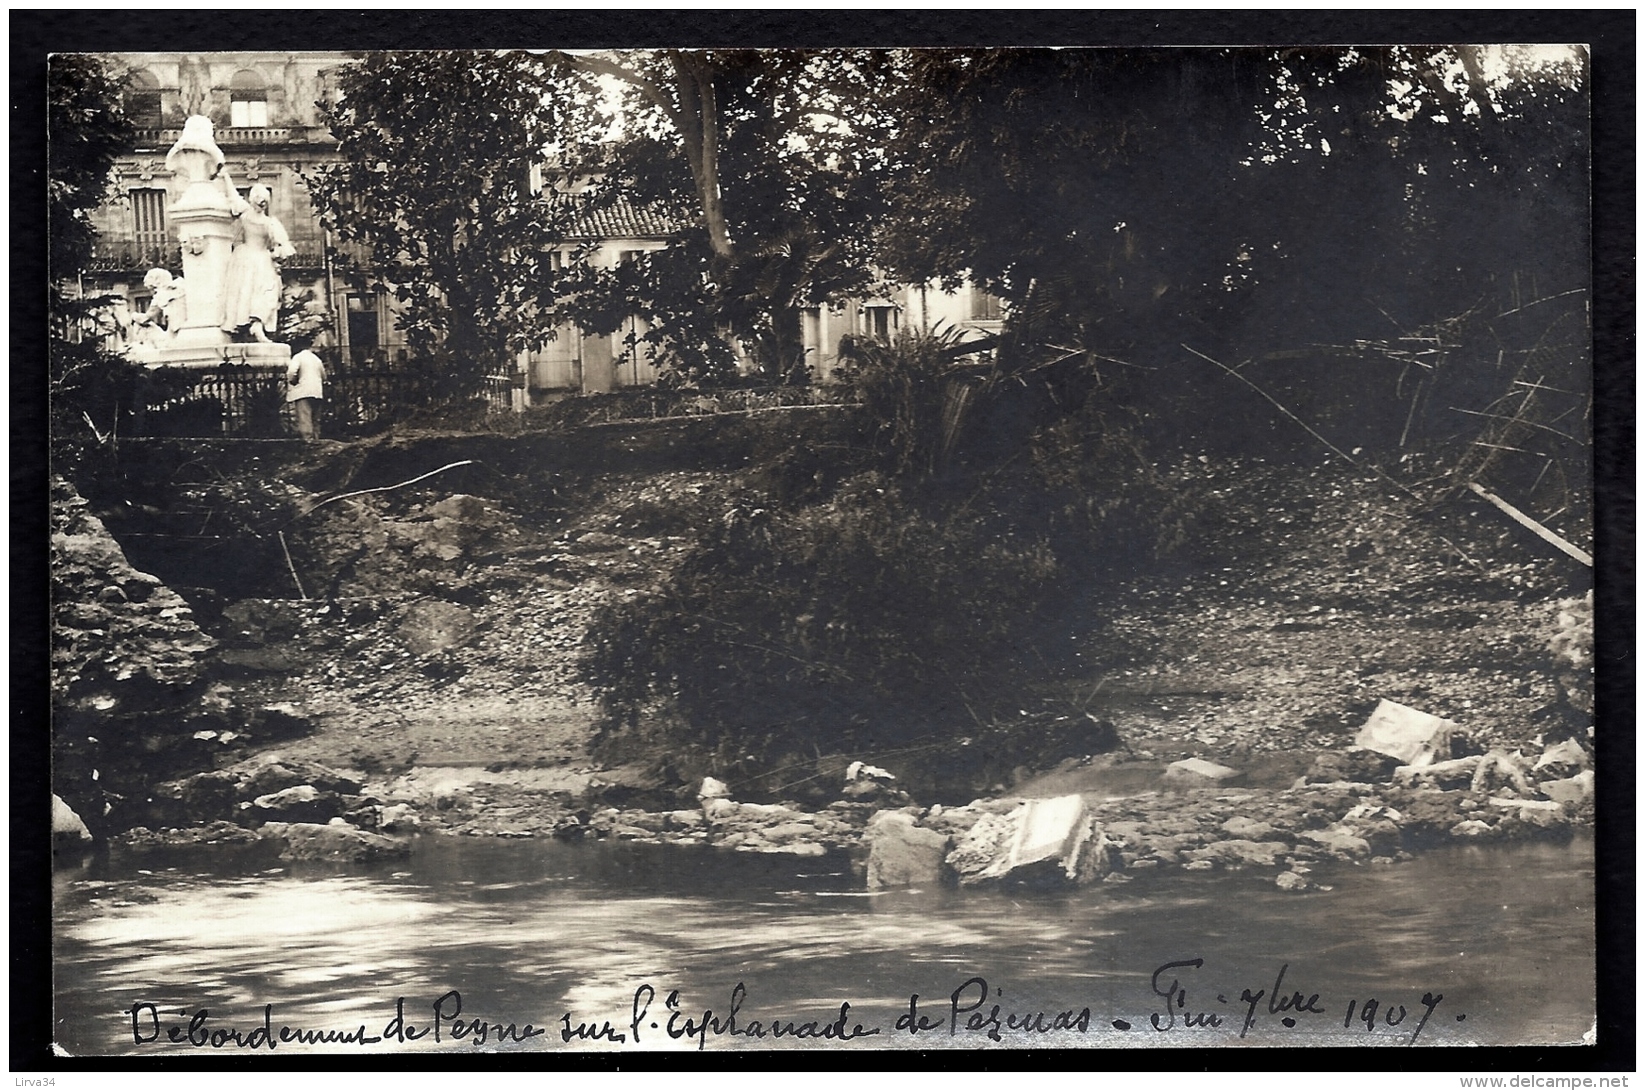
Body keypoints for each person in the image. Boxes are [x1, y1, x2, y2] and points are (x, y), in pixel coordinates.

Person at [220, 182, 294, 342]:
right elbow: (281, 247)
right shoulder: (265, 221)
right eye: (261, 200)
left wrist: (225, 175)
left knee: (258, 292)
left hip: (249, 257)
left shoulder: (260, 219)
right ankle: (253, 324)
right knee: (253, 292)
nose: (262, 203)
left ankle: (255, 324)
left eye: (264, 200)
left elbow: (233, 195)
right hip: (256, 258)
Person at [287, 336, 326, 441]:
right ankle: (316, 438)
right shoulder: (316, 359)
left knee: (305, 416)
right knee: (315, 417)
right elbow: (324, 375)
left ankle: (308, 440)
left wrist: (293, 381)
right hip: (317, 391)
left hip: (303, 391)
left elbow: (291, 372)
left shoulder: (298, 357)